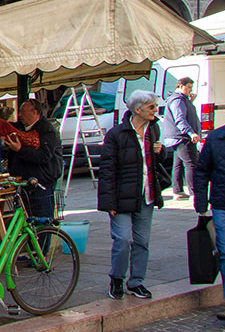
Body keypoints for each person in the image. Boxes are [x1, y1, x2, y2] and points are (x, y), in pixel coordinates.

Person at [98, 89, 168, 301]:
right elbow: (107, 170)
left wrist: (160, 152)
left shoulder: (154, 129)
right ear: (137, 109)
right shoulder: (117, 134)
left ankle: (137, 281)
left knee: (142, 241)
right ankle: (117, 278)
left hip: (146, 195)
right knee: (123, 239)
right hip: (121, 197)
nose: (155, 111)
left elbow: (156, 162)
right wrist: (108, 202)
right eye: (151, 107)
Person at [194, 98, 225, 322]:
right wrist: (200, 202)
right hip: (223, 204)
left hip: (222, 202)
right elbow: (201, 171)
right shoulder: (216, 138)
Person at [2, 99, 62, 219]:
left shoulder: (46, 130)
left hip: (40, 185)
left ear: (34, 113)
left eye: (22, 112)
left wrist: (20, 150)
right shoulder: (21, 128)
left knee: (42, 224)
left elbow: (43, 156)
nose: (19, 115)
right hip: (24, 184)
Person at [162, 76, 202, 199]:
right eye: (188, 87)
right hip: (181, 137)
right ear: (180, 86)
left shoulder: (182, 99)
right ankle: (194, 192)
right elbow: (180, 119)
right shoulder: (178, 100)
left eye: (191, 87)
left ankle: (178, 191)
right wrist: (191, 133)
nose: (190, 90)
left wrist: (190, 101)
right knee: (191, 163)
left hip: (177, 137)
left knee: (178, 164)